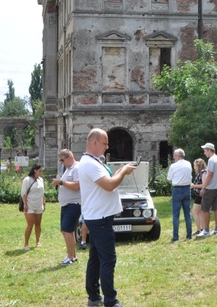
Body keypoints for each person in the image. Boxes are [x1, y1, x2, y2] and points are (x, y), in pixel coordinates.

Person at [79, 128, 136, 307]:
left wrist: (119, 172)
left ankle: (94, 296)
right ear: (94, 142)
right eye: (104, 143)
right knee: (108, 260)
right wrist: (123, 172)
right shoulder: (90, 163)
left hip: (97, 216)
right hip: (100, 218)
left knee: (96, 258)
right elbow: (109, 185)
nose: (107, 147)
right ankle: (111, 301)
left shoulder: (91, 162)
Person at [51, 149, 81, 265]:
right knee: (67, 231)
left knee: (66, 230)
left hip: (74, 204)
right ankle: (73, 255)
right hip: (66, 204)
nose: (61, 162)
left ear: (69, 157)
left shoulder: (76, 168)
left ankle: (70, 257)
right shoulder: (68, 169)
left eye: (62, 160)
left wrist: (61, 183)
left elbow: (77, 185)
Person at [195, 142, 217, 238]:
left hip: (210, 188)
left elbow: (209, 175)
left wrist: (204, 188)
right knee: (216, 208)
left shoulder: (211, 160)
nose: (204, 153)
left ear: (209, 150)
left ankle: (206, 230)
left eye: (205, 151)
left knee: (204, 209)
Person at [166, 148, 193, 242]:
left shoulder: (173, 166)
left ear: (178, 156)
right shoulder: (188, 164)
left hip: (177, 189)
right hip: (187, 188)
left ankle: (176, 237)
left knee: (176, 214)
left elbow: (169, 179)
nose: (173, 157)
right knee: (187, 214)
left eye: (174, 155)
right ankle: (189, 235)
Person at [21, 164, 45, 250]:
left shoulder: (41, 180)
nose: (40, 173)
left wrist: (44, 203)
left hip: (39, 205)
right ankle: (26, 244)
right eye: (39, 171)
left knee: (38, 224)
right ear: (35, 170)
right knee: (30, 225)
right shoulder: (27, 180)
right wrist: (25, 204)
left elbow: (42, 192)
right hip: (30, 205)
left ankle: (38, 241)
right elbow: (23, 193)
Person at [190, 158, 207, 235]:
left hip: (201, 195)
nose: (194, 167)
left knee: (194, 212)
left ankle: (199, 229)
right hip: (198, 194)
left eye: (195, 166)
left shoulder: (203, 173)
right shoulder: (200, 173)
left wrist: (194, 186)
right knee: (200, 212)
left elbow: (204, 184)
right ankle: (202, 228)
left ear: (199, 165)